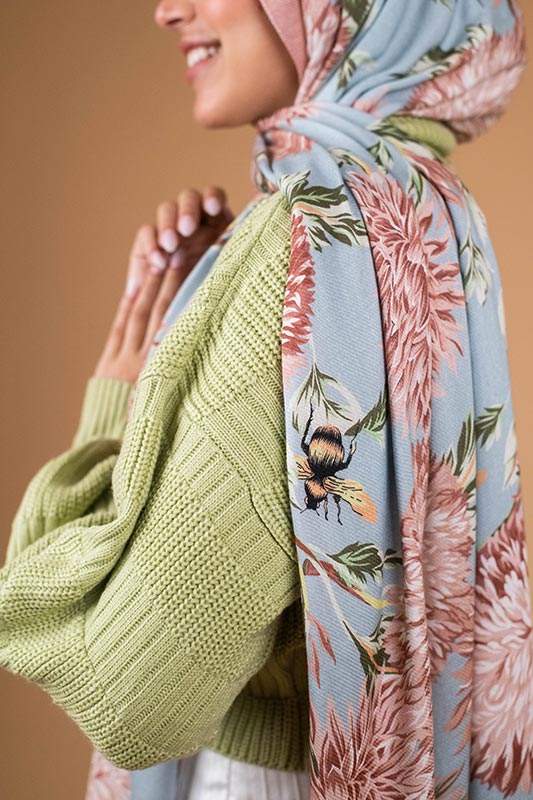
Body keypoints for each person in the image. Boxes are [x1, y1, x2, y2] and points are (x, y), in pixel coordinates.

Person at [2, 2, 532, 800]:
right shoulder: (432, 208)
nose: (167, 10)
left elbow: (125, 696)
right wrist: (191, 334)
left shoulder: (306, 234)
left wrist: (117, 402)